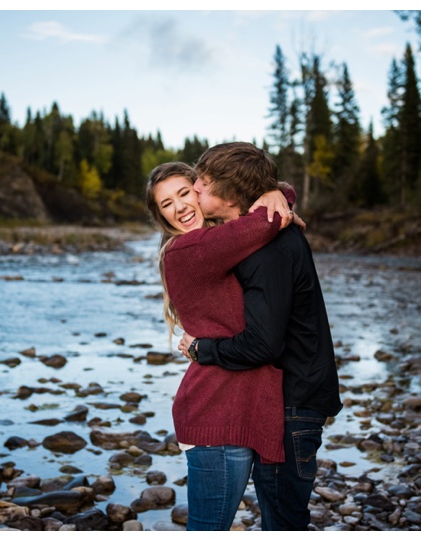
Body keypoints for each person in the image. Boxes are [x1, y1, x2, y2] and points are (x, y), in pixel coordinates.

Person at [178, 142, 343, 531]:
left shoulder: (266, 249)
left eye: (204, 181)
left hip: (294, 407)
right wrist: (281, 193)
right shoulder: (260, 231)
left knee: (283, 522)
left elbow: (263, 344)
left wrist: (204, 349)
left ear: (232, 194)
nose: (196, 187)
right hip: (290, 399)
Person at [145, 161, 303, 531]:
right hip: (216, 418)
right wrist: (276, 193)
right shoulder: (189, 249)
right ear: (160, 216)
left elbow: (280, 199)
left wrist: (275, 191)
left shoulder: (223, 241)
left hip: (238, 410)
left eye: (185, 193)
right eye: (166, 204)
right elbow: (272, 216)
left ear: (202, 191)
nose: (180, 207)